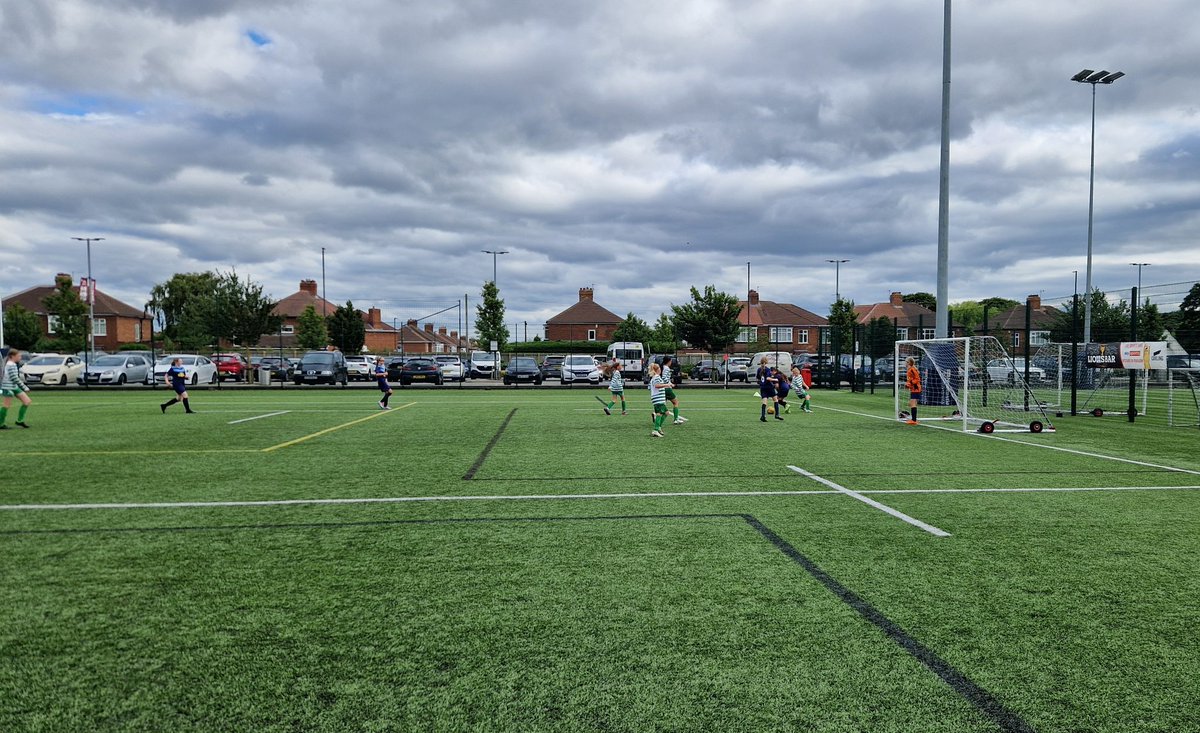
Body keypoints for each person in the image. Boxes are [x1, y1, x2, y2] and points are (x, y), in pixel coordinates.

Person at [0, 348, 33, 429]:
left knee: (27, 401)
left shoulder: (13, 364)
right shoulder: (10, 365)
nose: (20, 357)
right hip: (7, 387)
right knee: (6, 405)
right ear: (12, 356)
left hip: (14, 386)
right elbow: (14, 378)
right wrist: (24, 387)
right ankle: (1, 424)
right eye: (18, 356)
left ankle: (19, 421)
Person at [660, 356, 686, 425]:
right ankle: (676, 419)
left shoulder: (663, 367)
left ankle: (655, 414)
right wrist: (669, 384)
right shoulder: (667, 368)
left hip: (663, 388)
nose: (671, 362)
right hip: (667, 388)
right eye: (671, 361)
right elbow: (664, 379)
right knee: (676, 402)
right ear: (668, 361)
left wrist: (671, 383)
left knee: (663, 404)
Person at [647, 362, 669, 437]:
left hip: (658, 399)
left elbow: (650, 387)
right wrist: (666, 385)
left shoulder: (655, 377)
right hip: (658, 399)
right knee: (659, 414)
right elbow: (657, 385)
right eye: (659, 368)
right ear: (657, 369)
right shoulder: (656, 377)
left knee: (666, 413)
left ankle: (658, 427)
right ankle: (655, 430)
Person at [756, 357, 782, 422]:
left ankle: (763, 415)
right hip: (769, 387)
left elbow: (758, 378)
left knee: (764, 401)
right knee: (775, 400)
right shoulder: (767, 369)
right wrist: (775, 379)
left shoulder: (759, 369)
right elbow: (767, 378)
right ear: (766, 362)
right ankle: (777, 415)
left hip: (762, 387)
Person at [905, 356, 922, 425]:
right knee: (912, 403)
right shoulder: (910, 369)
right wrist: (908, 385)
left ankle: (914, 420)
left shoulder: (912, 369)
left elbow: (917, 379)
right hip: (913, 389)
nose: (905, 363)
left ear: (908, 363)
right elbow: (911, 379)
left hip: (916, 389)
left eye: (906, 362)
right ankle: (914, 419)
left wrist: (910, 383)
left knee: (913, 403)